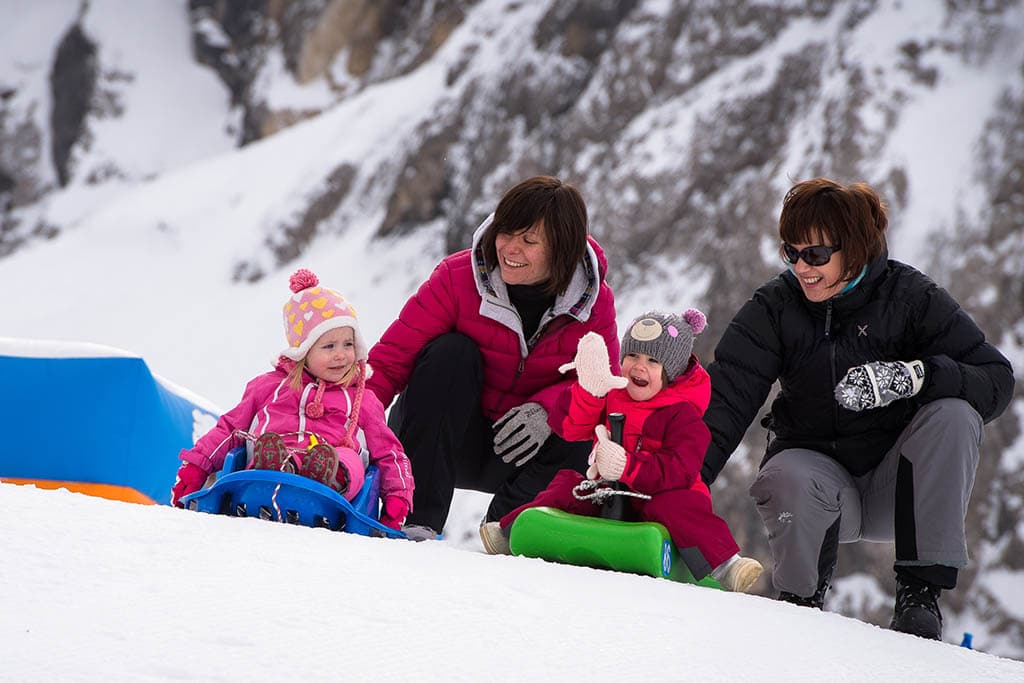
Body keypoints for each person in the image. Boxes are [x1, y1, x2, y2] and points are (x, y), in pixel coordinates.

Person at [701, 178, 1015, 637]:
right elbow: (725, 401)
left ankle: (918, 597)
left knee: (955, 413)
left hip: (900, 487)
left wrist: (917, 377)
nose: (802, 268)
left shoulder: (911, 298)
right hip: (817, 489)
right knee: (786, 475)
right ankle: (800, 604)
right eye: (792, 253)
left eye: (816, 255)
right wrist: (673, 488)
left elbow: (996, 380)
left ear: (854, 248)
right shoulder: (776, 307)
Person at [366, 176, 619, 540]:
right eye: (506, 233)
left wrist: (549, 411)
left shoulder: (594, 303)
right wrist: (348, 426)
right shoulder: (457, 277)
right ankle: (415, 522)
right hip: (437, 439)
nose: (509, 250)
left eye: (529, 241)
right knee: (451, 354)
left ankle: (506, 533)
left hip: (522, 454)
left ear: (562, 249)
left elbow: (602, 389)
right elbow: (389, 362)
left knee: (582, 420)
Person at [480, 310, 764, 593]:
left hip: (662, 492)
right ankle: (511, 529)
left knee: (677, 507)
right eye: (633, 357)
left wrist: (629, 467)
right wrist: (588, 393)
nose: (639, 367)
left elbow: (680, 470)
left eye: (653, 361)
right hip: (611, 490)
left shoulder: (683, 416)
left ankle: (726, 564)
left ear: (672, 372)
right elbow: (569, 427)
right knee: (568, 485)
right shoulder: (613, 394)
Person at [170, 269, 414, 530]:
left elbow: (390, 452)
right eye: (329, 347)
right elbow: (230, 429)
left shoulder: (362, 400)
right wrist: (196, 467)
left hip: (334, 494)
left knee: (348, 457)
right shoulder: (269, 387)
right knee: (271, 444)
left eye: (348, 344)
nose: (341, 355)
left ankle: (326, 473)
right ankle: (279, 467)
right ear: (303, 351)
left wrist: (398, 498)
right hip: (265, 474)